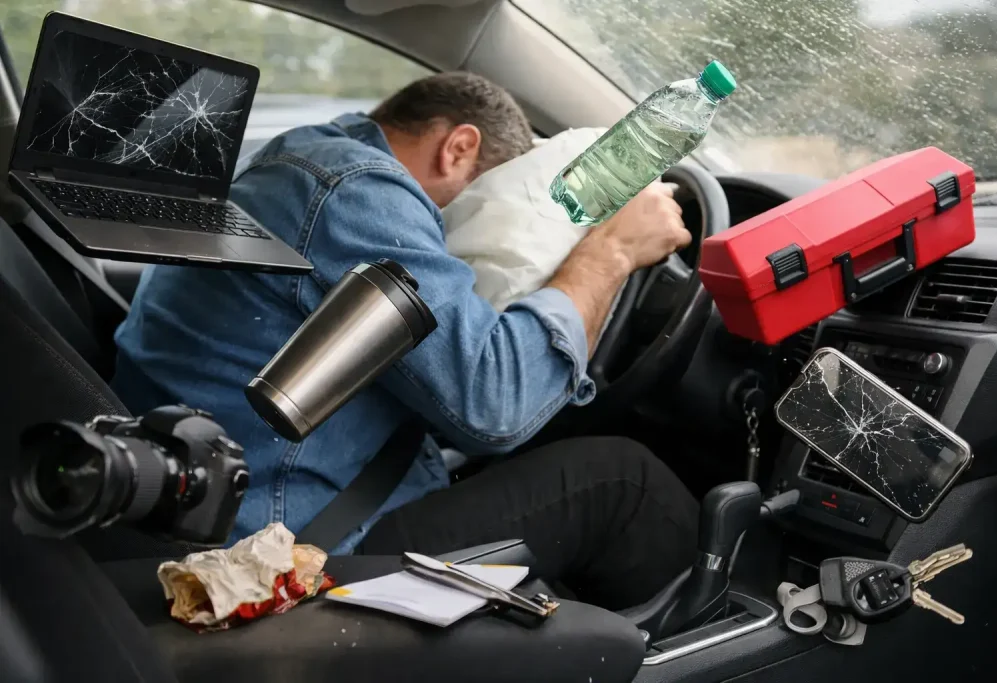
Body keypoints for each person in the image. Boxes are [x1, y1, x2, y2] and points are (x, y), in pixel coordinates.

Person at [112, 72, 697, 610]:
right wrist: (611, 253)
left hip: (233, 501)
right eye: (484, 202)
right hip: (285, 549)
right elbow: (495, 406)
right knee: (623, 481)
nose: (469, 231)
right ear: (458, 148)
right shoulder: (358, 191)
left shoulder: (301, 161)